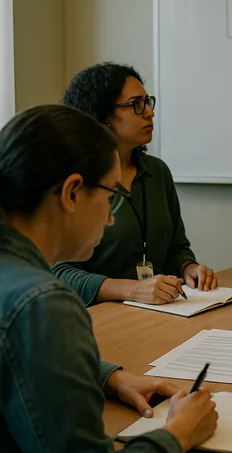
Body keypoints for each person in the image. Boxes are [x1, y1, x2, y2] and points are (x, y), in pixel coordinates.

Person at [0, 105, 218, 451]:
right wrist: (179, 433)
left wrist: (108, 377)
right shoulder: (44, 304)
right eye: (111, 195)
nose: (112, 218)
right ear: (72, 193)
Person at [53, 63, 218, 306]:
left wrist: (188, 267)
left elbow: (176, 246)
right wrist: (132, 290)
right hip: (99, 318)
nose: (149, 113)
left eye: (147, 102)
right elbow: (60, 274)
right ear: (104, 115)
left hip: (161, 312)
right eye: (136, 105)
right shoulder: (73, 181)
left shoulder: (157, 172)